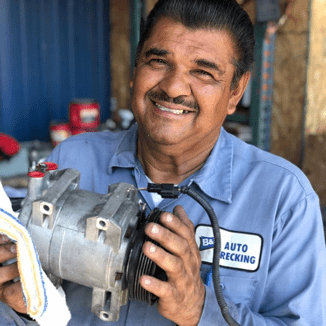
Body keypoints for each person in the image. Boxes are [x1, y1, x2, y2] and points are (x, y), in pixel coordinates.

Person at [1, 0, 326, 325]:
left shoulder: (284, 200)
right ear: (135, 69)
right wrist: (21, 307)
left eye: (203, 72)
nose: (172, 87)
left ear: (235, 91)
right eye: (158, 61)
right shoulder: (73, 160)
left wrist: (200, 309)